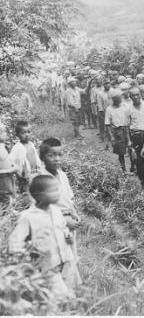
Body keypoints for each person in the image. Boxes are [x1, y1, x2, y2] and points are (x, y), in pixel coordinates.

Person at [8, 175, 79, 299]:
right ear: (39, 194)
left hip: (64, 260)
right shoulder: (28, 217)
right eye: (53, 190)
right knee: (60, 297)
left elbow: (62, 228)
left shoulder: (57, 211)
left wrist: (68, 237)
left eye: (58, 189)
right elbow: (15, 243)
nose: (58, 193)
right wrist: (23, 262)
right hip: (46, 266)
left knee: (66, 293)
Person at [37, 138, 82, 289]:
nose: (57, 159)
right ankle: (57, 294)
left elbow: (69, 199)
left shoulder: (62, 175)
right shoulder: (41, 181)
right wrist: (64, 222)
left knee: (71, 257)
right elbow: (43, 211)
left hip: (68, 223)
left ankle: (71, 292)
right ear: (42, 157)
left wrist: (75, 215)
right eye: (51, 155)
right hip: (54, 226)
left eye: (60, 155)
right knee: (57, 260)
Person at [128, 87, 144, 189]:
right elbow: (126, 125)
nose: (136, 97)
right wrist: (129, 141)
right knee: (138, 160)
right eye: (134, 95)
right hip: (136, 135)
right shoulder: (128, 108)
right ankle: (143, 182)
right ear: (130, 97)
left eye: (138, 94)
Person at [10, 120, 42, 192]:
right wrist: (19, 175)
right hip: (25, 177)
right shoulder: (17, 147)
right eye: (23, 133)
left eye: (28, 132)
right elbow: (11, 162)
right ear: (17, 135)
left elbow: (36, 157)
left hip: (36, 173)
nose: (27, 134)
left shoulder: (31, 144)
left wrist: (40, 168)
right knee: (28, 192)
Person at [105, 92, 131, 173]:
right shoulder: (109, 109)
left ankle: (133, 167)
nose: (118, 101)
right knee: (121, 152)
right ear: (113, 100)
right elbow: (108, 124)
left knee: (131, 148)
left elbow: (129, 117)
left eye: (119, 99)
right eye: (116, 99)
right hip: (117, 132)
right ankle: (124, 169)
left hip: (127, 129)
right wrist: (111, 137)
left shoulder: (124, 106)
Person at [0, 123, 17, 206]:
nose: (6, 134)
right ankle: (7, 213)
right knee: (5, 195)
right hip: (2, 177)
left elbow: (5, 160)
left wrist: (12, 165)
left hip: (9, 175)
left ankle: (11, 210)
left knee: (11, 193)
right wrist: (10, 169)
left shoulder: (3, 146)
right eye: (3, 132)